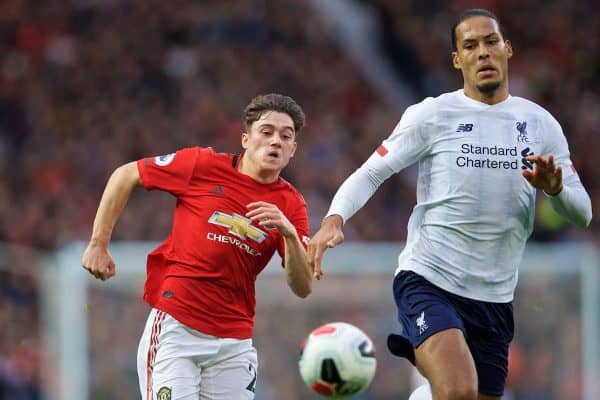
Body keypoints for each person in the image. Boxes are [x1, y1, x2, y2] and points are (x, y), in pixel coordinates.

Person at [308, 8, 592, 400]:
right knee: (458, 389)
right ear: (458, 60)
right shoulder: (433, 115)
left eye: (491, 42)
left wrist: (556, 189)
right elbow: (372, 171)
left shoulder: (541, 125)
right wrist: (334, 218)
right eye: (470, 46)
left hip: (495, 299)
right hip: (429, 281)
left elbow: (582, 213)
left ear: (507, 49)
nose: (483, 53)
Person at [81, 93, 314, 400]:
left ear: (293, 149)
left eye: (286, 137)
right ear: (245, 139)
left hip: (235, 343)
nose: (276, 142)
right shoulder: (202, 165)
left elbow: (303, 286)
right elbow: (127, 174)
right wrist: (99, 243)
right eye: (267, 132)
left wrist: (289, 234)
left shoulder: (292, 205)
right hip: (178, 330)